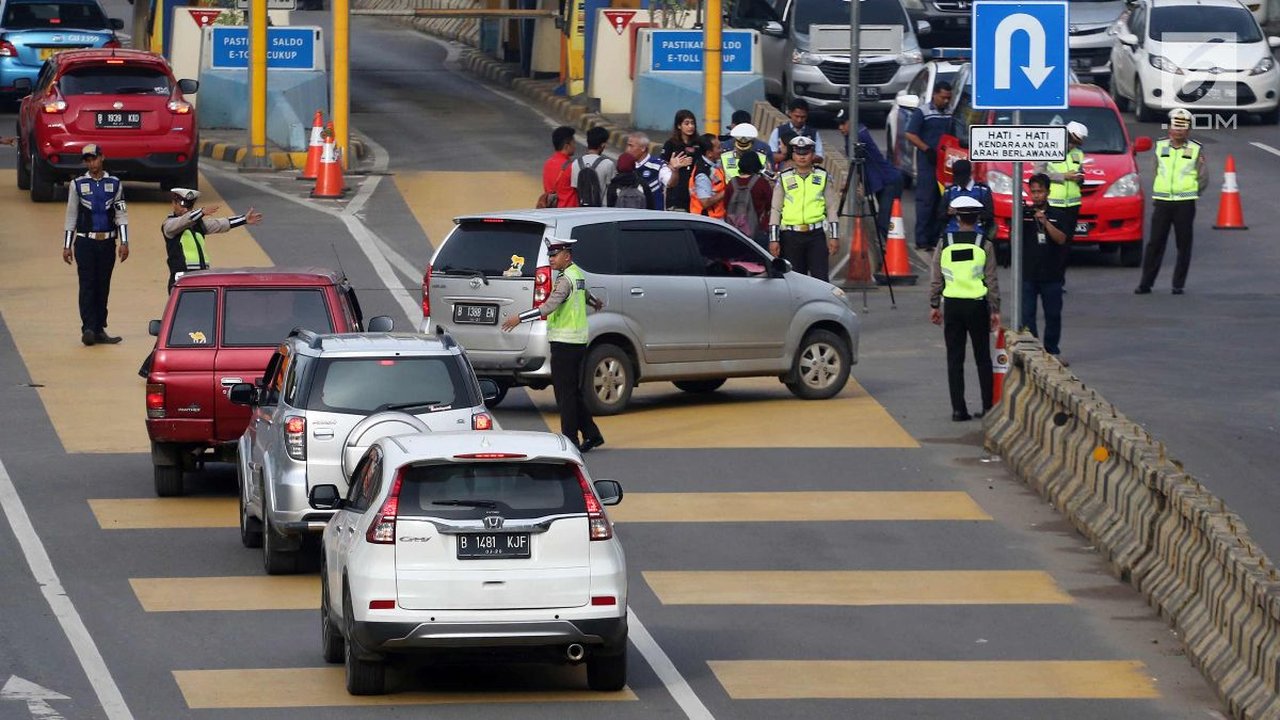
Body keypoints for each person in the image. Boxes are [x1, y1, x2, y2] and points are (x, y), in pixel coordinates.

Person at [501, 238, 605, 453]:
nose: (551, 259)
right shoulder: (576, 274)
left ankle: (570, 441)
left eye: (555, 255)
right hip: (577, 342)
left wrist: (519, 318)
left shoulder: (565, 280)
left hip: (565, 343)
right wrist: (595, 302)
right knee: (572, 392)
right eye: (550, 256)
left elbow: (548, 307)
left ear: (567, 256)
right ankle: (592, 434)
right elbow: (585, 293)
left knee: (565, 395)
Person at [928, 195, 1000, 421]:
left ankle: (958, 410)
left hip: (952, 306)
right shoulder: (984, 244)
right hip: (977, 306)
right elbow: (991, 280)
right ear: (977, 218)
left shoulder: (945, 243)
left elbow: (936, 277)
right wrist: (995, 309)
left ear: (957, 217)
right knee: (983, 358)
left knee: (954, 359)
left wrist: (934, 304)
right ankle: (988, 406)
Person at [62, 144, 129, 346]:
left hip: (107, 242)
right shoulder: (77, 184)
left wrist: (124, 242)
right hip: (85, 242)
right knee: (87, 285)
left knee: (103, 285)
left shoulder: (115, 184)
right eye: (88, 160)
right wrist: (67, 245)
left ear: (102, 158)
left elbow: (121, 214)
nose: (92, 164)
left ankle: (99, 328)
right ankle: (88, 329)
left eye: (94, 159)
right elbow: (71, 215)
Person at [1136, 107, 1206, 295]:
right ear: (1169, 128)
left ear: (1188, 130)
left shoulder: (1195, 149)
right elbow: (1155, 170)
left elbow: (1202, 177)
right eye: (1175, 126)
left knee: (1183, 244)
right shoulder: (1160, 146)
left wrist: (1191, 192)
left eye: (1183, 127)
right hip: (1163, 202)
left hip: (1185, 203)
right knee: (1155, 243)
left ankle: (1178, 284)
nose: (1178, 131)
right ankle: (1145, 283)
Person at [162, 188, 264, 291]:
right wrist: (201, 212)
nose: (185, 209)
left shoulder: (198, 225)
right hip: (181, 280)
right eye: (182, 204)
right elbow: (183, 221)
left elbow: (220, 224)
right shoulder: (169, 225)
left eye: (189, 206)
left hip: (200, 277)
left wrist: (243, 219)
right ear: (174, 203)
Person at [768, 136, 839, 279]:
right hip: (790, 236)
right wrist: (774, 239)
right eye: (798, 153)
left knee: (820, 278)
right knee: (795, 279)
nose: (802, 157)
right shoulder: (784, 177)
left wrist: (834, 237)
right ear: (793, 155)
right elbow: (776, 210)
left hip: (816, 235)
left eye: (806, 153)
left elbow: (831, 208)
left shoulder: (822, 176)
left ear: (812, 155)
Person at [1019, 174, 1070, 361]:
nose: (1036, 195)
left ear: (1048, 192)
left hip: (1052, 274)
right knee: (1027, 315)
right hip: (1029, 274)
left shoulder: (1058, 214)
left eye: (1040, 191)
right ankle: (1034, 351)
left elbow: (1061, 239)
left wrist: (1045, 222)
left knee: (1053, 315)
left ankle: (1052, 350)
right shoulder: (1024, 215)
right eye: (1033, 192)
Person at [837, 108, 903, 241]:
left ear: (852, 121)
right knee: (885, 222)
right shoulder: (852, 135)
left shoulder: (858, 136)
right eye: (839, 124)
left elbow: (856, 166)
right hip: (881, 183)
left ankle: (892, 249)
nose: (840, 128)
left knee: (885, 223)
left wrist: (854, 185)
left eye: (843, 123)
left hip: (888, 181)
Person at [904, 81, 954, 250]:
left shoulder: (950, 112)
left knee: (942, 200)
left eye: (948, 98)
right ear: (935, 95)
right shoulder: (923, 112)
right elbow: (910, 134)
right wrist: (926, 149)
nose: (946, 101)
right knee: (926, 200)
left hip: (945, 163)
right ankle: (922, 238)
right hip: (928, 162)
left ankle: (935, 237)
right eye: (943, 97)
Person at [1035, 121, 1088, 232]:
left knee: (1068, 238)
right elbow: (1038, 174)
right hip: (1053, 203)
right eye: (1072, 141)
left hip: (1073, 204)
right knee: (1053, 237)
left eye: (1077, 143)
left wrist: (1080, 178)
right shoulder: (1048, 149)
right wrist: (1063, 176)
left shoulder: (1078, 153)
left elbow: (1080, 172)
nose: (1073, 145)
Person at [722, 151, 772, 247]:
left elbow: (726, 204)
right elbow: (770, 205)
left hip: (734, 230)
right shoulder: (762, 183)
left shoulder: (732, 183)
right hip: (758, 230)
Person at [938, 159, 994, 239]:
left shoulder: (983, 191)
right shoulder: (949, 191)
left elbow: (990, 215)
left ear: (970, 173)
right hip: (952, 233)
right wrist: (948, 213)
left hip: (977, 234)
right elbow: (940, 215)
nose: (961, 180)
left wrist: (971, 212)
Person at [661, 109, 704, 212]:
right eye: (687, 123)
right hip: (677, 189)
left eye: (692, 123)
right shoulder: (671, 144)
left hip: (695, 189)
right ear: (679, 126)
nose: (690, 126)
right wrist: (675, 165)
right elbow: (662, 164)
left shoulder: (699, 143)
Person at [768, 98, 824, 168]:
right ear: (789, 113)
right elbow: (771, 156)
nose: (799, 120)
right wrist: (785, 155)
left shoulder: (813, 133)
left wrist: (804, 157)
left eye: (803, 117)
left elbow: (820, 157)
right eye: (796, 116)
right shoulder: (778, 131)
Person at [571, 126, 616, 208]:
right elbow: (611, 190)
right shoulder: (608, 164)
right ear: (603, 145)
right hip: (601, 210)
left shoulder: (575, 163)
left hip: (581, 209)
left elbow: (575, 189)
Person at [625, 132, 666, 210]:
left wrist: (675, 170)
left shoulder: (658, 166)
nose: (627, 150)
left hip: (653, 214)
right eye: (627, 145)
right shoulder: (625, 166)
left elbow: (670, 183)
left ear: (643, 148)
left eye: (631, 146)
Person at [690, 134, 727, 219]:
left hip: (717, 217)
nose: (721, 150)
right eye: (718, 148)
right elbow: (705, 202)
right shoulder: (703, 174)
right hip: (706, 220)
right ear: (709, 153)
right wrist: (727, 191)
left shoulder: (714, 166)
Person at [541, 125, 578, 208]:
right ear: (566, 146)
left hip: (552, 210)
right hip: (569, 211)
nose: (575, 146)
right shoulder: (572, 166)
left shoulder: (548, 164)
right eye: (573, 143)